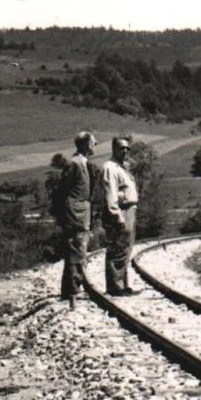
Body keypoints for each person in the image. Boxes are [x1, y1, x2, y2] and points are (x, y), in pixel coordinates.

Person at [54, 131, 97, 307]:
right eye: (93, 142)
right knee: (77, 251)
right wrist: (67, 214)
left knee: (77, 250)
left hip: (81, 212)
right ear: (86, 144)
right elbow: (64, 192)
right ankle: (72, 291)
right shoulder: (74, 164)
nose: (96, 144)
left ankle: (70, 290)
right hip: (75, 214)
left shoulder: (84, 163)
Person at [102, 136, 140, 296]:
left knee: (125, 248)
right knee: (119, 247)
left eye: (127, 148)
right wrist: (116, 214)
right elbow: (110, 193)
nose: (125, 151)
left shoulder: (123, 167)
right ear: (114, 149)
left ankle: (123, 285)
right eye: (121, 148)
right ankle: (115, 287)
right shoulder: (110, 167)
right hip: (121, 210)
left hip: (129, 209)